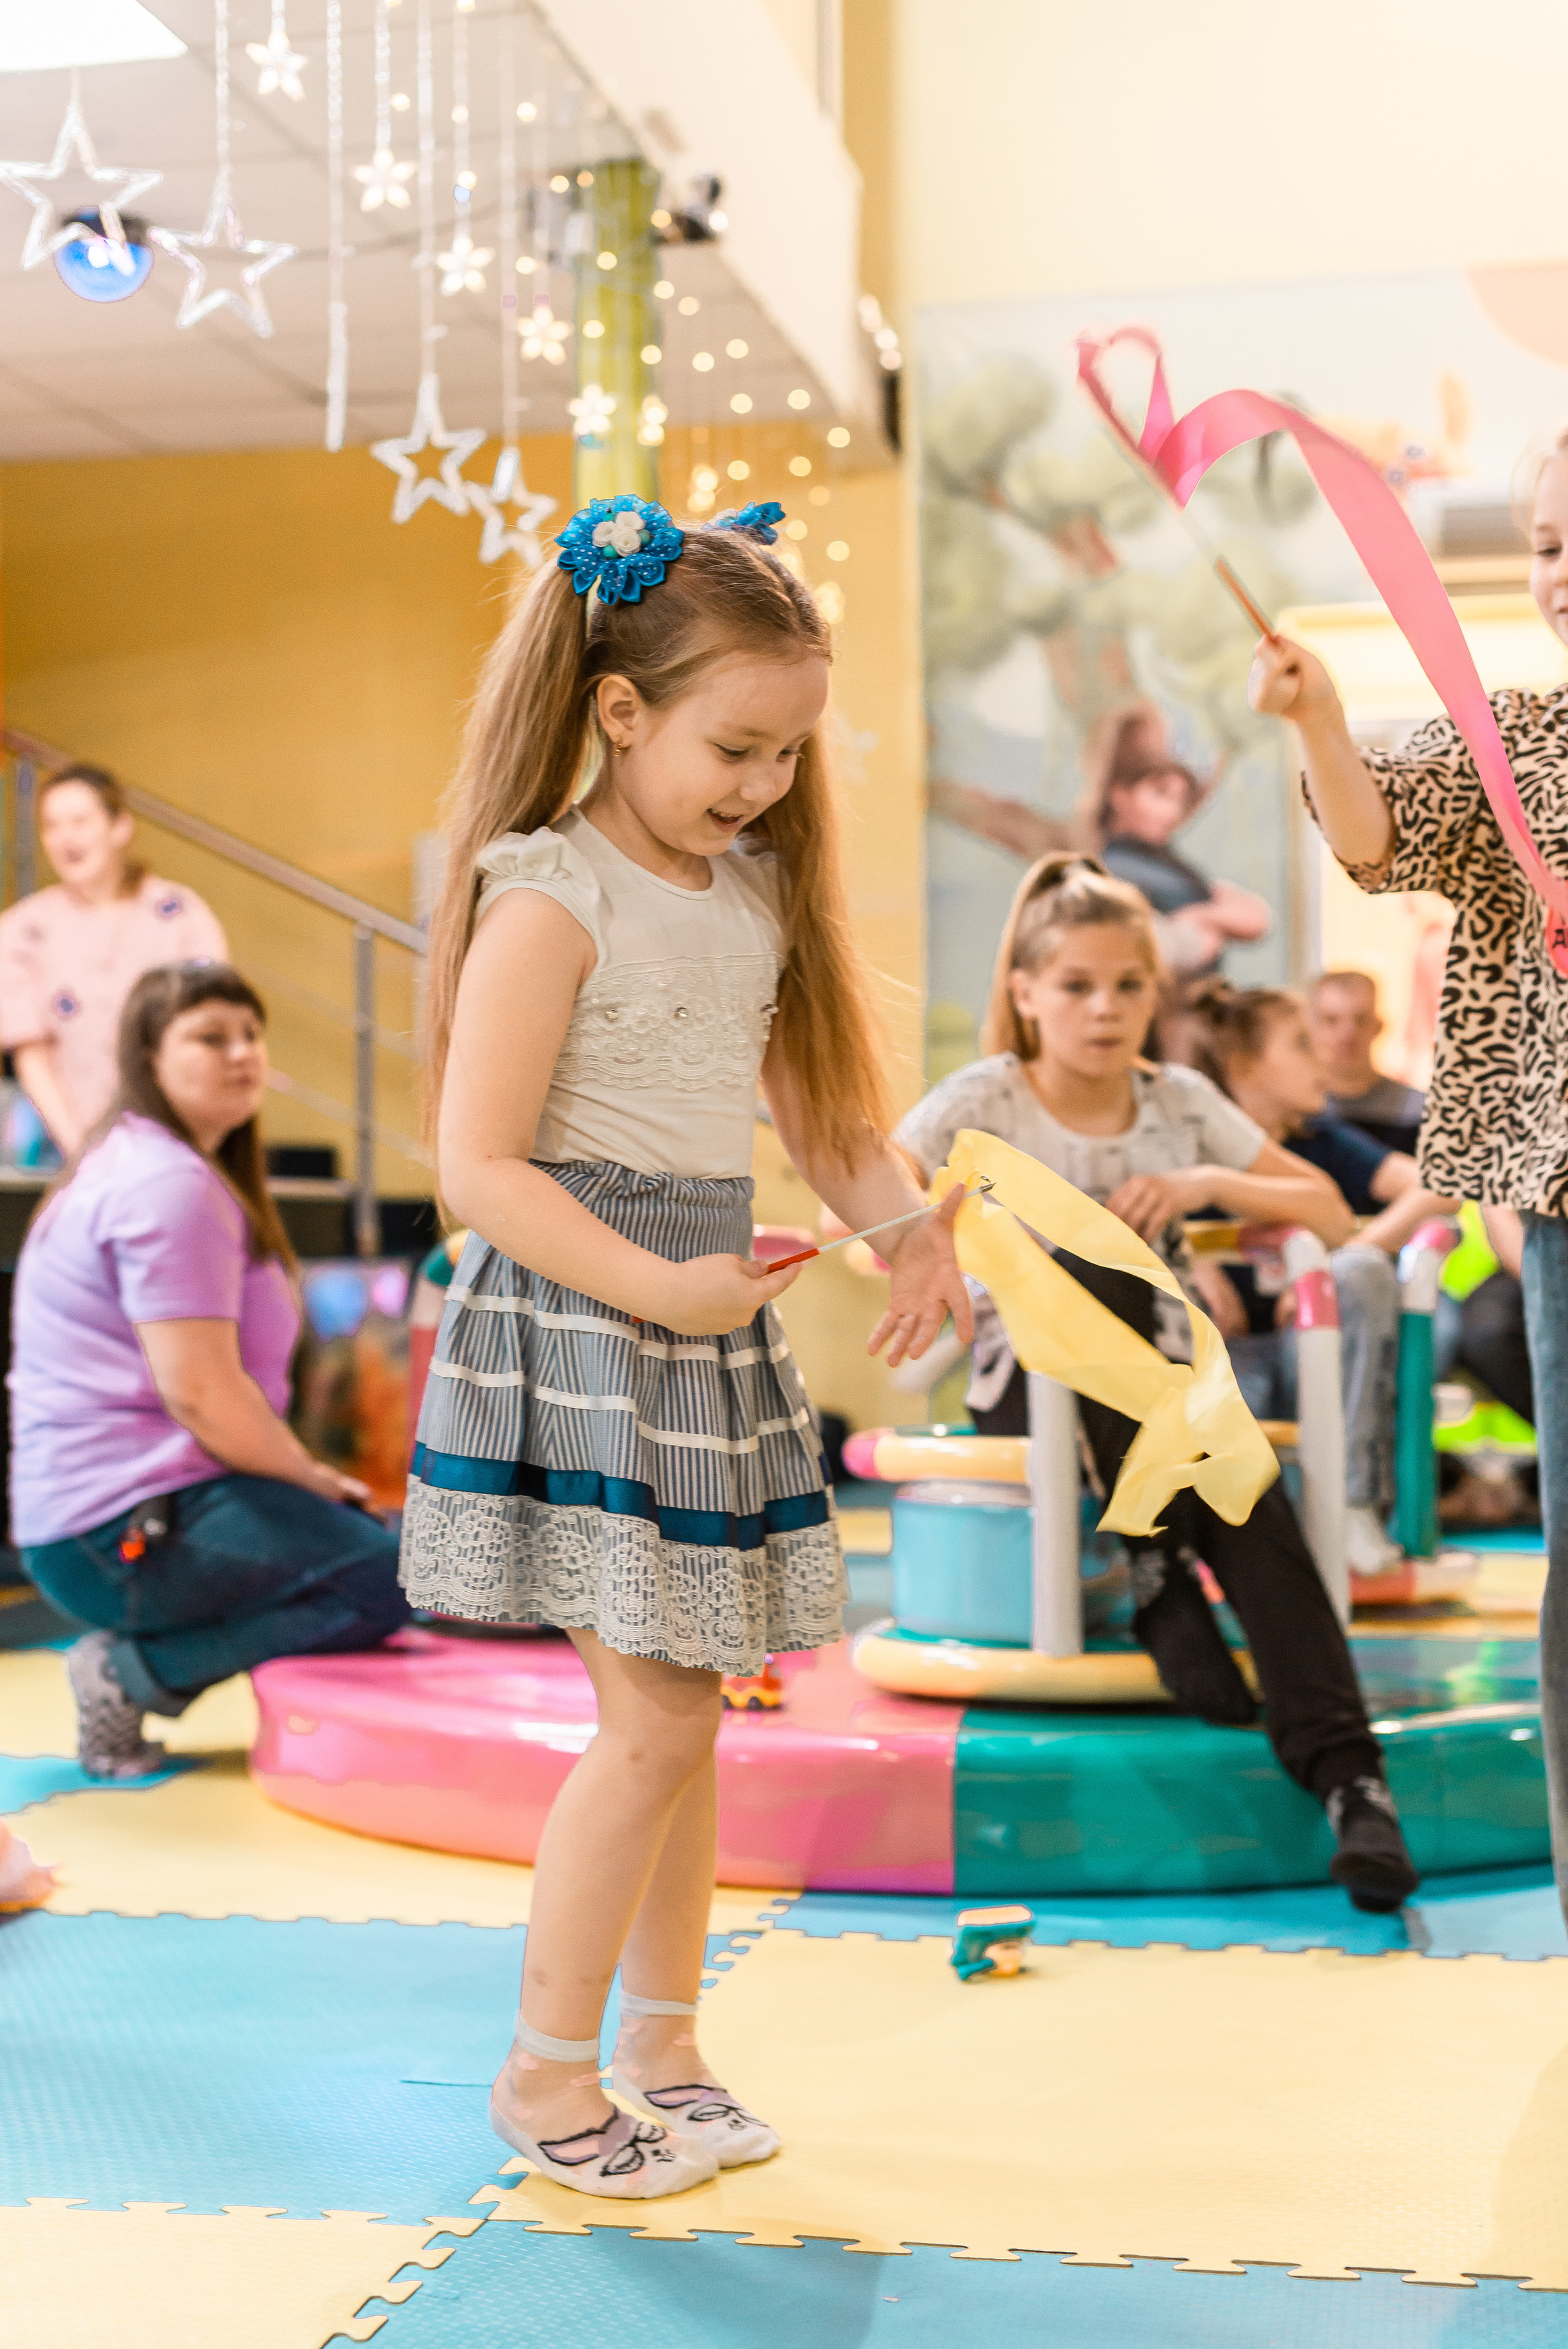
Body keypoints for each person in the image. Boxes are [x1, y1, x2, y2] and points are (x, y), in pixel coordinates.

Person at [405, 496, 971, 2201]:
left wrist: (908, 1224)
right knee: (652, 1716)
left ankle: (660, 2043)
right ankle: (545, 2073)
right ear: (621, 707)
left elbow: (821, 1104)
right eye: (737, 746)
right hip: (584, 1326)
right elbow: (477, 1165)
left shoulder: (742, 897)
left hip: (693, 1329)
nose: (764, 786)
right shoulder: (551, 893)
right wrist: (664, 1292)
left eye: (789, 755)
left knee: (690, 1715)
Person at [895, 853, 1419, 1916]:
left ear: (1156, 993)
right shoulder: (985, 1096)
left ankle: (1350, 1781)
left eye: (1129, 986)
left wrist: (1204, 1181)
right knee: (1091, 1269)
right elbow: (867, 1216)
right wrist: (940, 1230)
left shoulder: (1176, 1100)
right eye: (1078, 986)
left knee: (1248, 1486)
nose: (1106, 1008)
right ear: (1029, 992)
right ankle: (1155, 1559)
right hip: (1022, 1379)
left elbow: (1328, 1211)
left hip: (1178, 1388)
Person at [1248, 423, 1568, 1924]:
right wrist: (1316, 719)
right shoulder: (1517, 742)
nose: (1558, 576)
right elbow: (1377, 833)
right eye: (1547, 546)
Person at [10, 961, 409, 1777]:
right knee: (384, 1577)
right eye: (210, 1036)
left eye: (252, 1033)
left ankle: (137, 1665)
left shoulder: (156, 1165)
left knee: (386, 1552)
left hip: (123, 1508)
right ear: (150, 1058)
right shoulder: (165, 1184)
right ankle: (130, 1676)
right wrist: (311, 1477)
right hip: (119, 1527)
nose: (242, 1053)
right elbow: (199, 1390)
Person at [1188, 982, 1458, 1575]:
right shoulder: (1185, 1142)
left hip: (1311, 1357)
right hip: (1226, 1366)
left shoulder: (1320, 1140)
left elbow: (1438, 1184)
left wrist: (1321, 1280)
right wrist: (1197, 1265)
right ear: (1244, 1066)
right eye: (1303, 1044)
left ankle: (1352, 1504)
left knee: (1360, 1273)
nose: (1324, 1059)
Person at [0, 762, 226, 1157]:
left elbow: (212, 1029)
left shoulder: (180, 913)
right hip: (60, 1146)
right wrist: (82, 1153)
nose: (65, 838)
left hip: (175, 1137)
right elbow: (29, 1050)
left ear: (121, 827)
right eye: (51, 825)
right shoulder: (23, 928)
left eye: (80, 821)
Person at [1090, 708, 1271, 978]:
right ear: (1119, 794)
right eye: (1161, 794)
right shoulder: (1116, 869)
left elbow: (1256, 918)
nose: (1172, 813)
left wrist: (1201, 918)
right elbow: (1186, 948)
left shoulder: (1165, 865)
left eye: (1179, 801)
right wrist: (1206, 927)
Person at [1306, 969, 1425, 1157]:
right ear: (1311, 1028)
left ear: (1379, 1026)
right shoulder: (1294, 1112)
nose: (1347, 1034)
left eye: (1361, 1020)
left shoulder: (1420, 1111)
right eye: (1331, 1020)